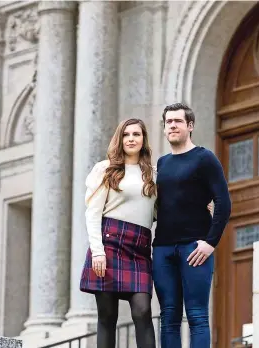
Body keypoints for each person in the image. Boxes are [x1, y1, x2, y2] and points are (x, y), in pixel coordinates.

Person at [152, 102, 232, 348]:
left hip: (194, 248)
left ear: (190, 125)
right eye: (168, 122)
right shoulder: (161, 164)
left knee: (197, 315)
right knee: (168, 317)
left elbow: (223, 202)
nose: (172, 125)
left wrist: (210, 243)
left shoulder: (204, 158)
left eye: (177, 121)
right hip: (163, 249)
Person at [80, 118, 157, 348]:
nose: (131, 139)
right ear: (120, 139)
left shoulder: (153, 174)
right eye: (126, 134)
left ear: (143, 140)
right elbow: (92, 213)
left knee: (143, 311)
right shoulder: (106, 169)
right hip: (109, 244)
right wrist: (97, 252)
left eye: (136, 134)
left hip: (140, 249)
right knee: (107, 316)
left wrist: (201, 206)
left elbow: (161, 211)